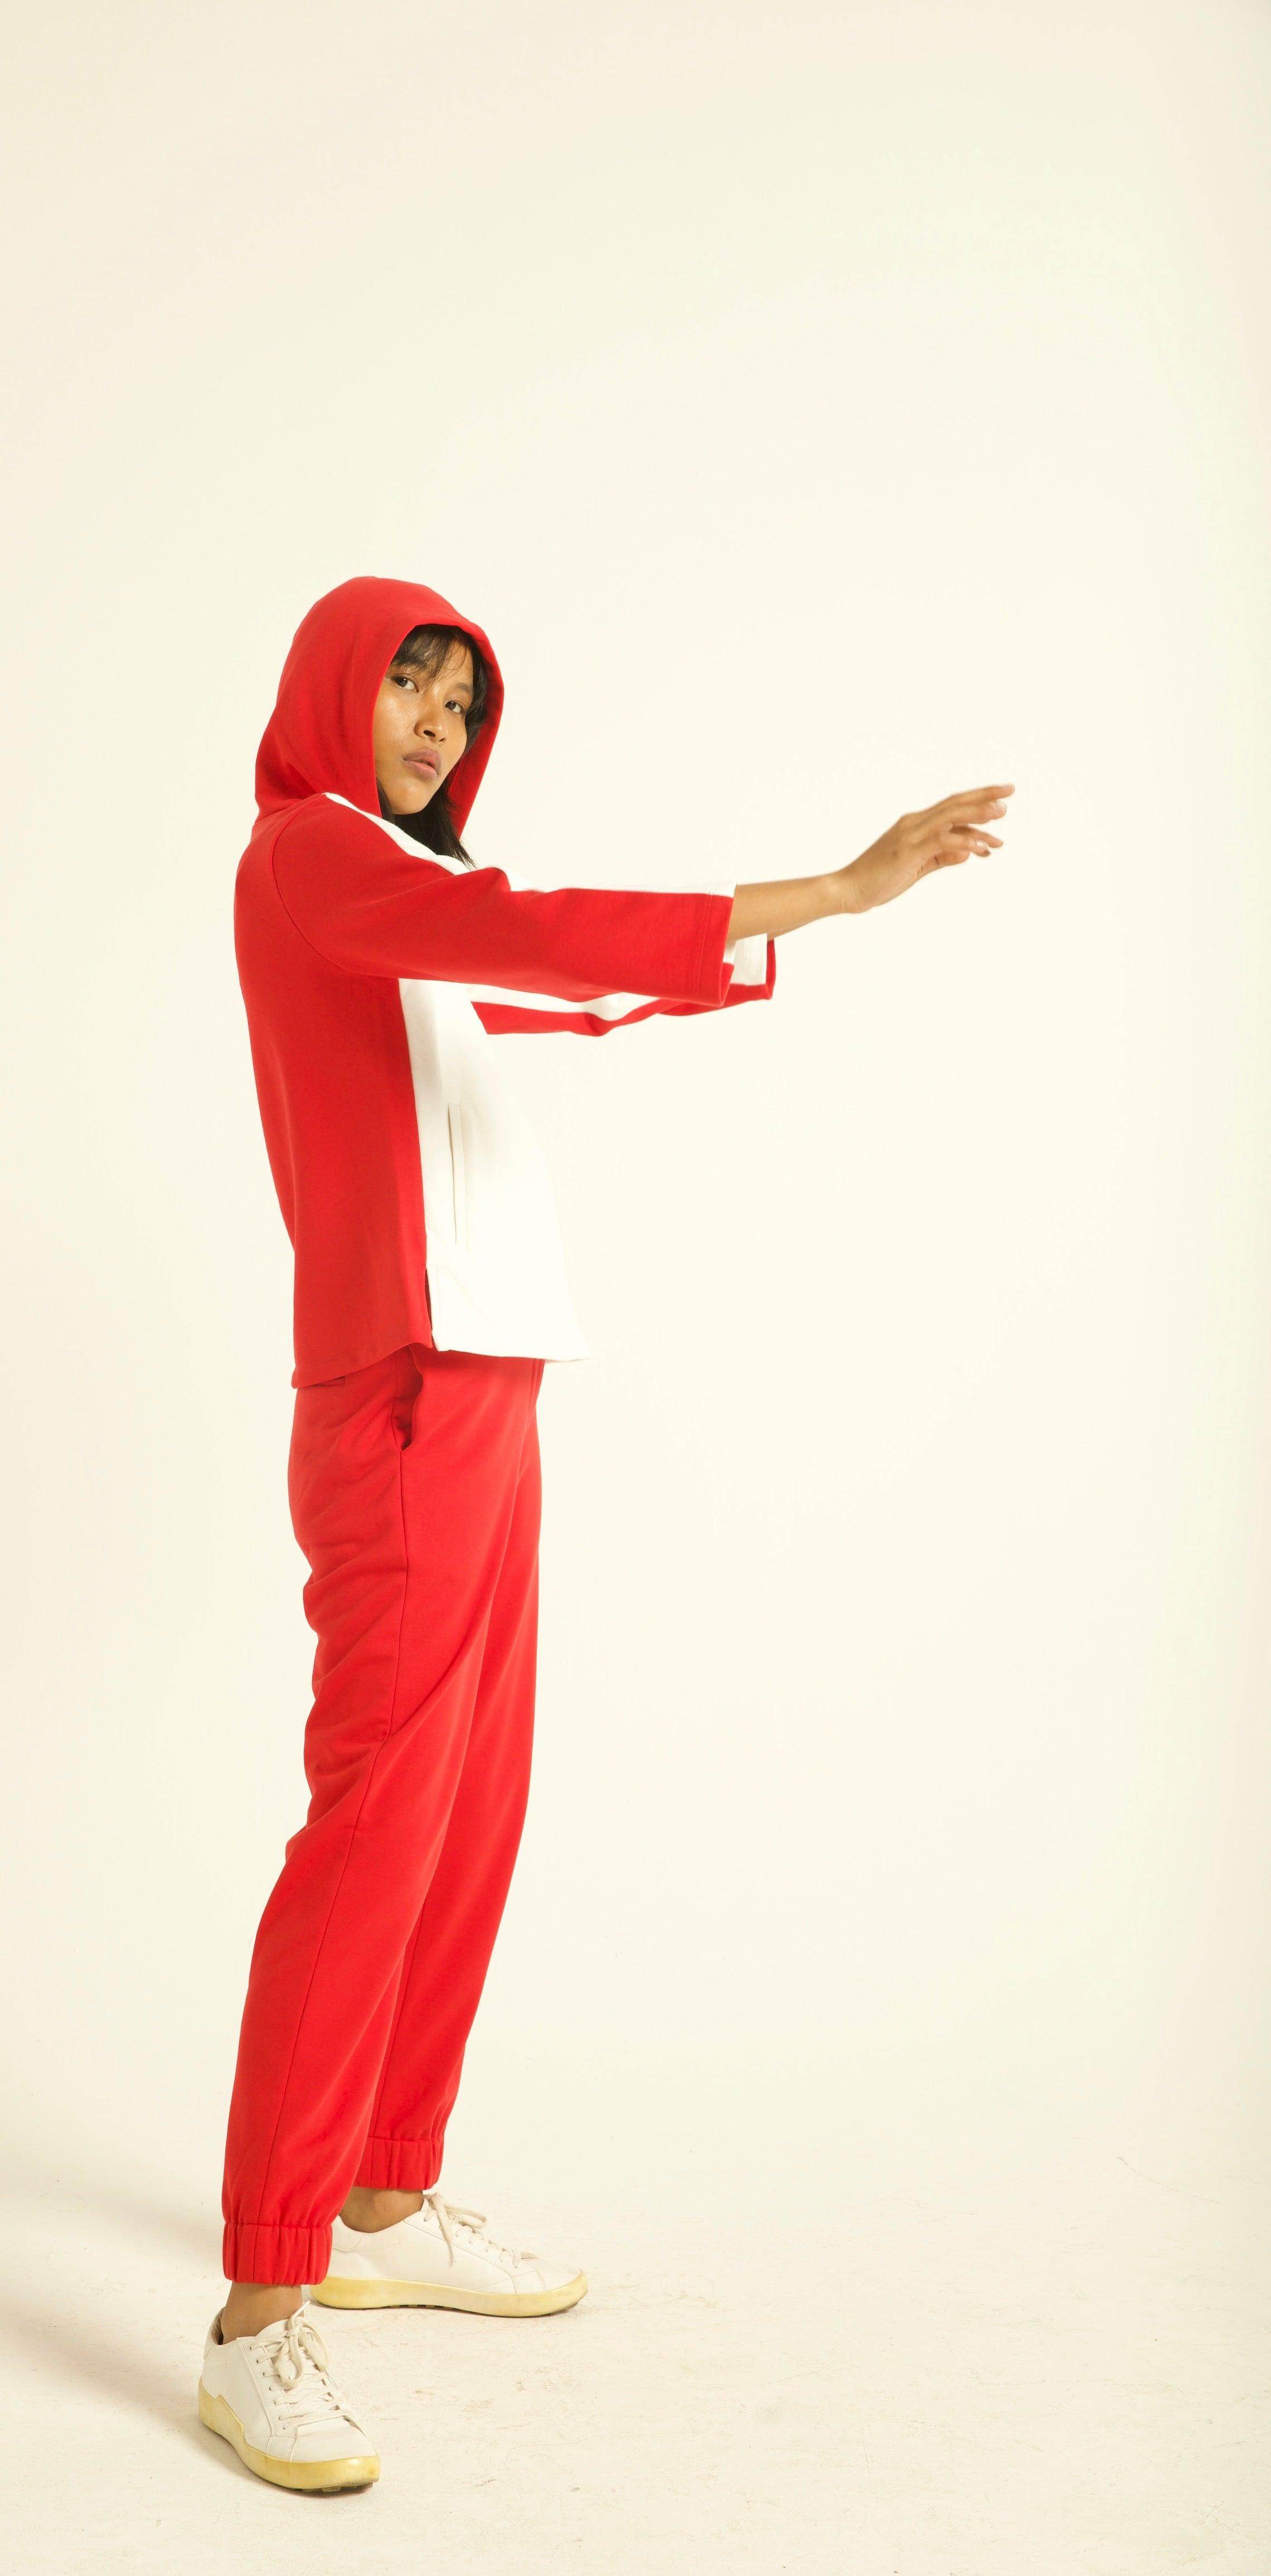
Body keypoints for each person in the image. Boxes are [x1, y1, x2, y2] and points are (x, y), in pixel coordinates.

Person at [198, 574, 1013, 2493]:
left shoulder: (402, 896)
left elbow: (570, 977)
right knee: (375, 1826)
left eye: (460, 698)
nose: (433, 721)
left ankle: (385, 2193)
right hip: (401, 1391)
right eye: (406, 682)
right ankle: (257, 2310)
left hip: (493, 1384)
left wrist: (784, 934)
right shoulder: (310, 859)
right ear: (333, 690)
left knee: (472, 1807)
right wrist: (832, 886)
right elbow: (540, 929)